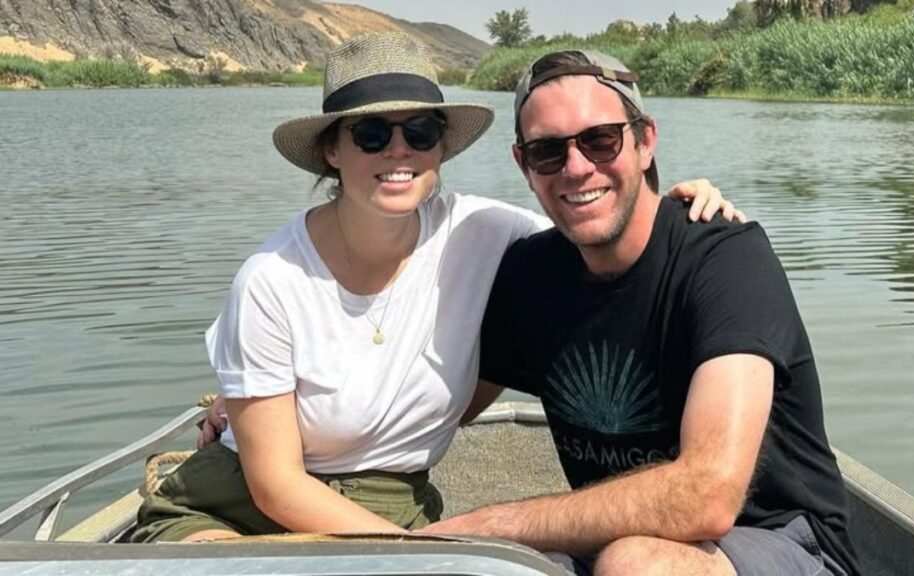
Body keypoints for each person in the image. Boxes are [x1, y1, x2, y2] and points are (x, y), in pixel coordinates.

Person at [131, 33, 742, 543]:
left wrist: (675, 204)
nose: (398, 150)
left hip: (391, 504)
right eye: (371, 134)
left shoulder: (486, 232)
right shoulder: (270, 281)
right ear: (331, 150)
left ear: (440, 147)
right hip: (236, 507)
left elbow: (598, 222)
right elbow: (275, 485)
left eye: (420, 131)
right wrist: (413, 555)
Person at [420, 50, 861, 576]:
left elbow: (708, 495)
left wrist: (490, 526)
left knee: (635, 564)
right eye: (548, 152)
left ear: (645, 141)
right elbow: (435, 413)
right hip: (618, 546)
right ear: (524, 165)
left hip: (787, 545)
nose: (578, 167)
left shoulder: (725, 257)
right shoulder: (529, 274)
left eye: (600, 140)